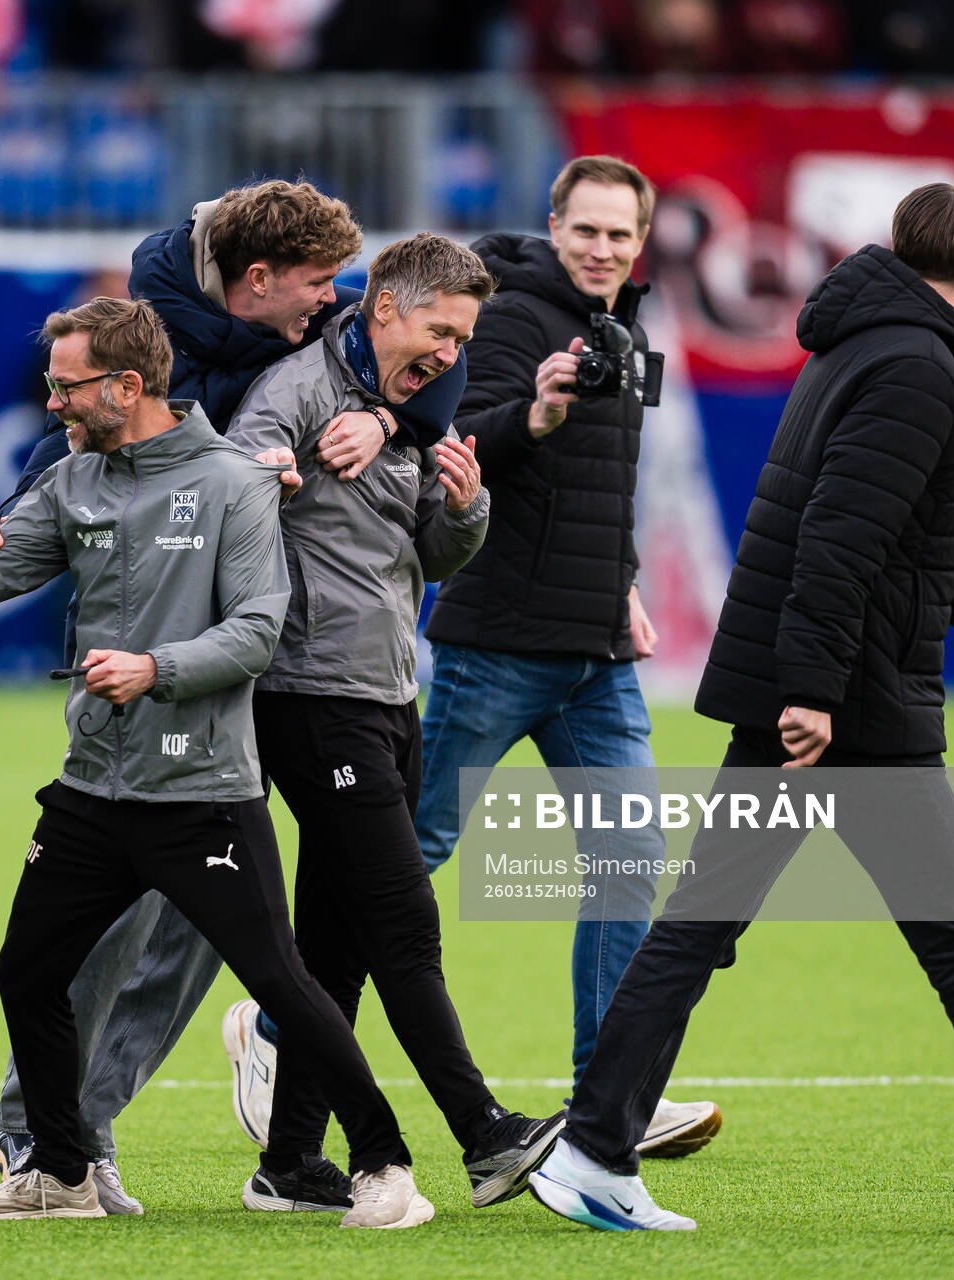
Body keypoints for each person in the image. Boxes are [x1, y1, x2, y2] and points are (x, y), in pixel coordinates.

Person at [528, 182, 954, 1233]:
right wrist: (810, 692)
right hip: (848, 707)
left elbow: (874, 518)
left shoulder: (865, 342)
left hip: (820, 691)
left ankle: (592, 1147)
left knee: (709, 928)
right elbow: (839, 539)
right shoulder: (915, 364)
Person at [0, 296, 434, 1228]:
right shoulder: (74, 480)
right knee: (27, 973)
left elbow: (254, 631)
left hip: (200, 793)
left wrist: (155, 669)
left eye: (67, 387)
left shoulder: (236, 482)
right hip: (91, 790)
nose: (52, 406)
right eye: (49, 387)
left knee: (281, 982)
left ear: (128, 385)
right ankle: (62, 1175)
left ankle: (385, 1166)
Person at [0, 180, 469, 1213]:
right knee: (114, 921)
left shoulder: (287, 334)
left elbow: (413, 373)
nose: (327, 304)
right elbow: (72, 438)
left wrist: (380, 416)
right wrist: (17, 511)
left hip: (225, 662)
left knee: (199, 929)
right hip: (145, 653)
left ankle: (84, 1129)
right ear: (252, 282)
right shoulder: (154, 334)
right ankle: (37, 1129)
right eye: (312, 286)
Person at [224, 232, 566, 1213]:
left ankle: (288, 1163)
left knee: (334, 945)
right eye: (441, 329)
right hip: (309, 694)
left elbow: (425, 552)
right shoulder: (291, 393)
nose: (453, 352)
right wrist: (266, 484)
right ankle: (484, 1132)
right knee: (404, 924)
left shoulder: (413, 411)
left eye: (463, 337)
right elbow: (224, 506)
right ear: (383, 309)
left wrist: (465, 507)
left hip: (383, 690)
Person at [415, 155, 721, 1159]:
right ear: (554, 225)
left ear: (643, 239)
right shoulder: (510, 317)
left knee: (629, 865)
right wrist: (535, 413)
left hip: (593, 652)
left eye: (618, 233)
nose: (601, 247)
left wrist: (623, 579)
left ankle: (607, 1097)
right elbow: (457, 443)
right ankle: (280, 1029)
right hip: (495, 641)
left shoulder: (622, 331)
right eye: (584, 229)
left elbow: (606, 488)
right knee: (406, 857)